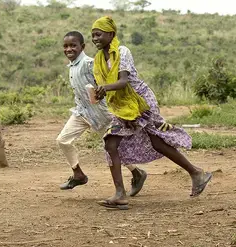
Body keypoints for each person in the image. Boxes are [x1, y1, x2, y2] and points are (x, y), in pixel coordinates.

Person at [91, 16, 212, 210]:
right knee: (111, 142)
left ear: (111, 34)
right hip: (123, 107)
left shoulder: (122, 52)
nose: (95, 38)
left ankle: (196, 173)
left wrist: (104, 88)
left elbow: (123, 82)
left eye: (98, 34)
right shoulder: (98, 60)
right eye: (92, 36)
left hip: (141, 102)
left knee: (156, 141)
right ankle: (120, 194)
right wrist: (99, 93)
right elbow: (109, 89)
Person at [56, 31, 147, 197]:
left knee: (112, 150)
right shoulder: (72, 66)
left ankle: (137, 173)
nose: (69, 49)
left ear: (82, 47)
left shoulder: (90, 63)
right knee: (63, 140)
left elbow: (106, 82)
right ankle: (78, 174)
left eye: (73, 45)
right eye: (66, 46)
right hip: (81, 112)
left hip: (102, 114)